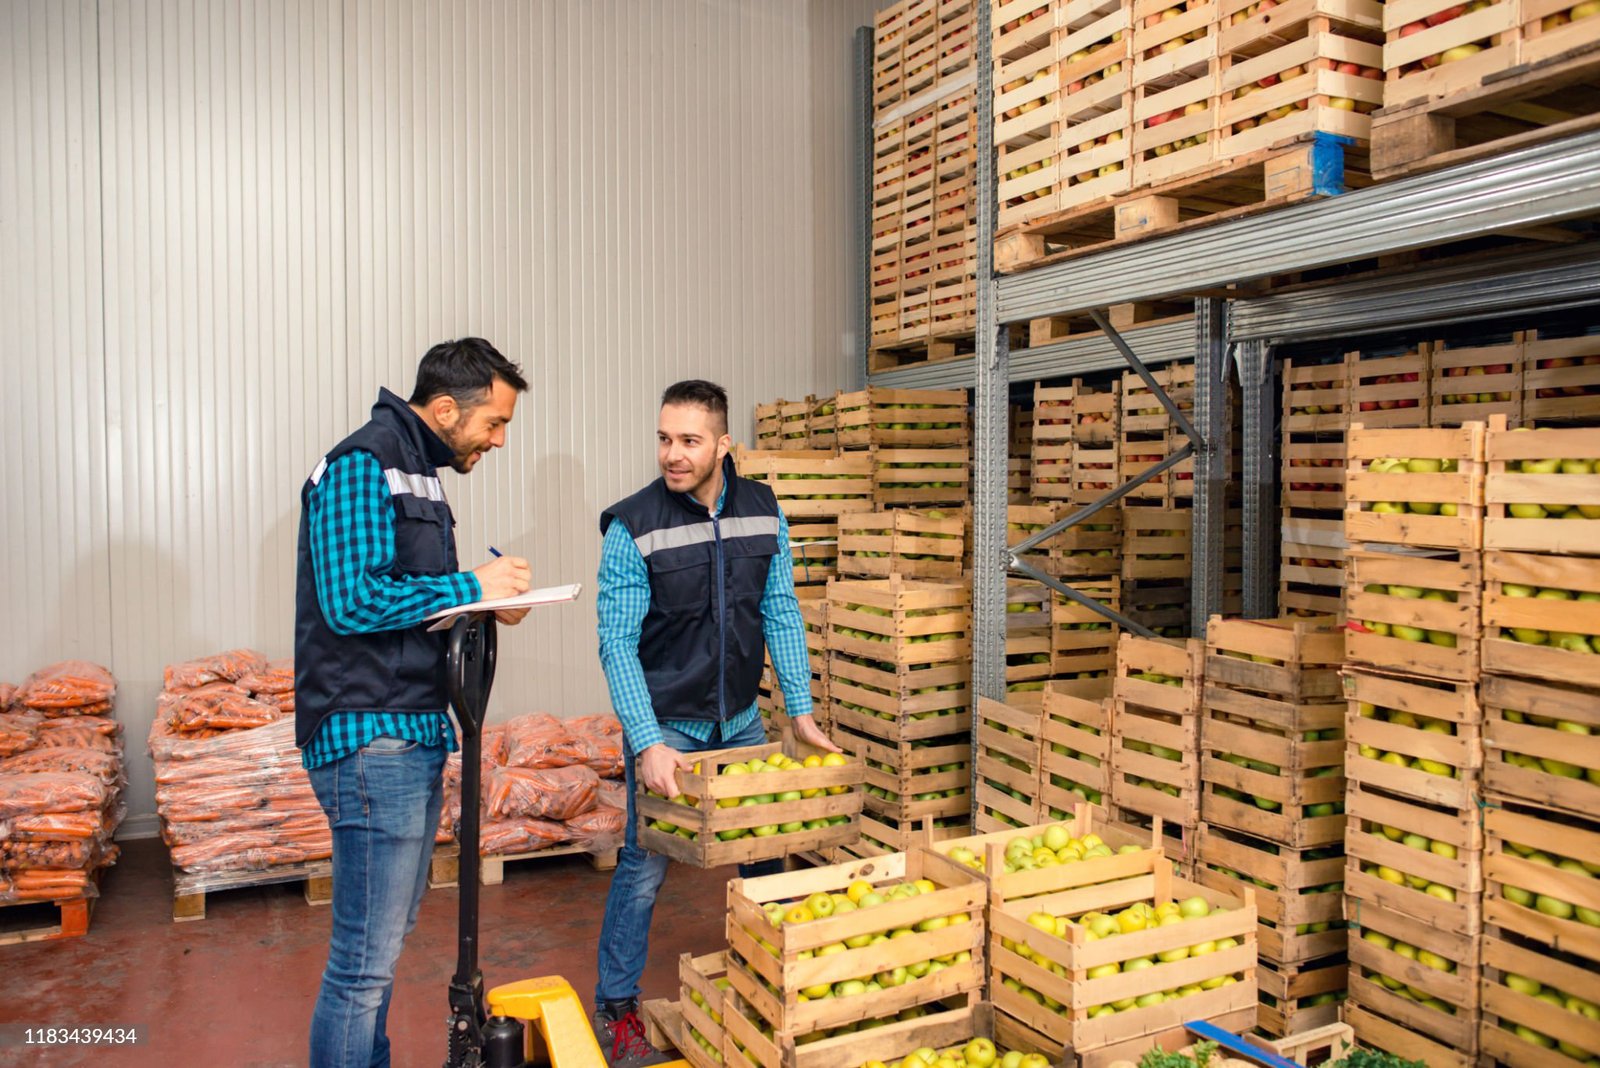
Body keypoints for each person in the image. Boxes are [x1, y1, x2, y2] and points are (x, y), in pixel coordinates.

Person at [295, 337, 533, 1068]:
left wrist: (485, 603)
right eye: (493, 424)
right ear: (441, 409)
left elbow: (404, 600)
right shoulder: (363, 465)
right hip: (372, 737)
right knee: (363, 964)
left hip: (408, 730)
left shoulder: (417, 473)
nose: (497, 440)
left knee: (383, 946)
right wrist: (472, 588)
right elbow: (352, 599)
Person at [591, 379, 841, 1067]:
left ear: (723, 444)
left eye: (690, 440)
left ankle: (765, 985)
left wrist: (800, 709)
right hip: (670, 723)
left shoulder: (763, 510)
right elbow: (616, 643)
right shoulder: (632, 526)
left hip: (739, 721)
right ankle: (616, 1007)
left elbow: (782, 609)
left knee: (767, 853)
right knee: (644, 869)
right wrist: (646, 742)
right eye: (665, 438)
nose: (673, 453)